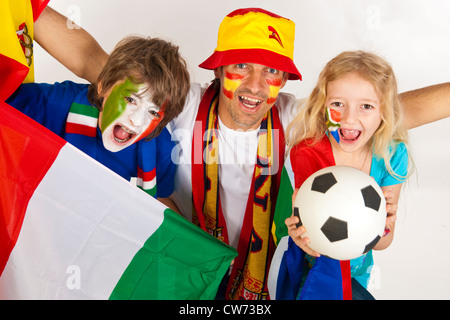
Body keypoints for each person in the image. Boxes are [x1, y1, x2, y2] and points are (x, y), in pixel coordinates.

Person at [32, 6, 450, 300]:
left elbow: (392, 112)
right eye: (240, 67)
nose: (254, 85)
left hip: (272, 280)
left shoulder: (296, 118)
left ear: (284, 78)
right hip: (190, 274)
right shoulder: (180, 107)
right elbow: (93, 62)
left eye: (271, 71)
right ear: (217, 70)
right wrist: (25, 9)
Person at [6, 35, 190, 210]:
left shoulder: (160, 148)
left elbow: (162, 203)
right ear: (103, 86)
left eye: (153, 112)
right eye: (130, 100)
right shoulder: (55, 103)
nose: (136, 120)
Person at [283, 50, 412, 299]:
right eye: (338, 104)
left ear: (384, 111)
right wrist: (299, 233)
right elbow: (306, 236)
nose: (349, 118)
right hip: (311, 274)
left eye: (366, 106)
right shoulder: (308, 151)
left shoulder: (392, 155)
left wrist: (383, 224)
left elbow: (384, 242)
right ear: (322, 106)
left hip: (357, 276)